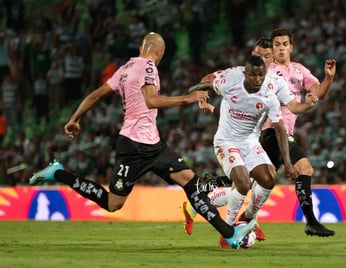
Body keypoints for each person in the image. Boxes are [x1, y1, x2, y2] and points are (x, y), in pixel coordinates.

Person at [28, 32, 256, 249]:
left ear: (141, 48)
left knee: (191, 183)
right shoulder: (149, 67)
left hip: (150, 144)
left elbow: (97, 94)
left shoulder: (125, 68)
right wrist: (189, 98)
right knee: (113, 203)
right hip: (135, 146)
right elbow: (151, 101)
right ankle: (58, 173)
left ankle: (229, 233)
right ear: (161, 52)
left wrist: (74, 118)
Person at [192, 29, 337, 237]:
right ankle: (309, 221)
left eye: (284, 44)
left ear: (291, 47)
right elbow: (219, 79)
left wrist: (328, 79)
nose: (280, 48)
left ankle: (206, 193)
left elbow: (316, 93)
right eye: (276, 45)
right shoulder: (266, 71)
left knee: (252, 182)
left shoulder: (298, 71)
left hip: (280, 133)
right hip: (271, 131)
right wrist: (200, 93)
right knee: (303, 168)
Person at [184, 55, 298, 248]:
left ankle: (245, 217)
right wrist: (200, 98)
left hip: (250, 142)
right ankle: (228, 232)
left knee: (268, 178)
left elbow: (280, 128)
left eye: (261, 75)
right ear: (246, 73)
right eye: (253, 75)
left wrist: (287, 163)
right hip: (226, 141)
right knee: (243, 183)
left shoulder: (270, 94)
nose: (257, 79)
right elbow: (205, 83)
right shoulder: (230, 79)